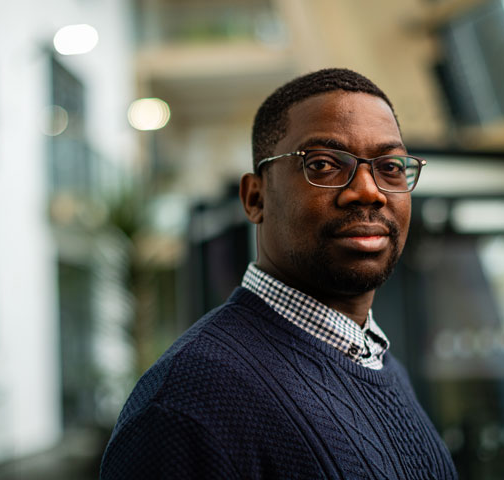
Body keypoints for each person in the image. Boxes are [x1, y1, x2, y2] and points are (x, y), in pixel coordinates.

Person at [100, 68, 457, 479]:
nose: (369, 191)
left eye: (390, 166)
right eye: (323, 164)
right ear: (255, 198)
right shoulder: (189, 403)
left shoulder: (381, 365)